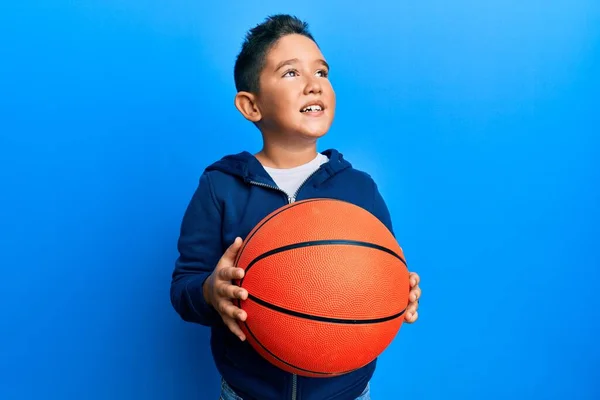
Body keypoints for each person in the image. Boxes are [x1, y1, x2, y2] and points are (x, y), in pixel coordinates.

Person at [170, 14, 422, 400]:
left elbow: (385, 268)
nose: (313, 85)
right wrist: (209, 291)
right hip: (247, 392)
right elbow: (183, 286)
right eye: (291, 73)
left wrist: (398, 291)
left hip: (345, 393)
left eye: (321, 72)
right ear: (251, 106)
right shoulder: (220, 186)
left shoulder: (361, 190)